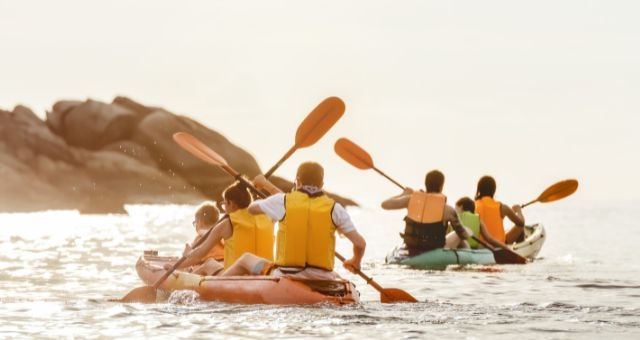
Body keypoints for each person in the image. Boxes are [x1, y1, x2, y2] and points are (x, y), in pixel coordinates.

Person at [220, 161, 367, 280]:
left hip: (286, 275)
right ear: (322, 184)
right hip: (322, 277)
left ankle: (215, 284)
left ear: (297, 181)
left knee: (246, 259)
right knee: (337, 277)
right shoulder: (335, 209)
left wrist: (262, 187)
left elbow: (251, 209)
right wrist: (355, 261)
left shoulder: (283, 201)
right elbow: (360, 244)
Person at [169, 181, 275, 275]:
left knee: (210, 263)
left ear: (232, 204)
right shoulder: (269, 218)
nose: (224, 210)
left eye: (225, 204)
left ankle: (181, 283)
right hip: (263, 275)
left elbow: (200, 253)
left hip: (235, 277)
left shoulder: (227, 223)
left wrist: (181, 260)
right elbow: (283, 201)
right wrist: (265, 183)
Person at [381, 169, 469, 255]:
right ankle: (470, 255)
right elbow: (463, 235)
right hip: (434, 250)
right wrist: (469, 233)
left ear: (426, 184)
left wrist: (404, 194)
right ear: (441, 187)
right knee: (458, 235)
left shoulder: (410, 200)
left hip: (411, 247)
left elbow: (384, 205)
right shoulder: (448, 209)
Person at [475, 175, 525, 245]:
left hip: (480, 246)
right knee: (520, 226)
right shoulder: (502, 207)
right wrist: (518, 210)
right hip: (499, 245)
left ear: (479, 189)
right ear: (494, 190)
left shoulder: (473, 205)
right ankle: (521, 251)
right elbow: (521, 223)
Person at [182, 202, 224, 275]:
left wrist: (185, 255)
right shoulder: (222, 236)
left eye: (195, 223)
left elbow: (192, 260)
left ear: (200, 222)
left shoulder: (200, 238)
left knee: (186, 268)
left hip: (206, 270)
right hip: (222, 266)